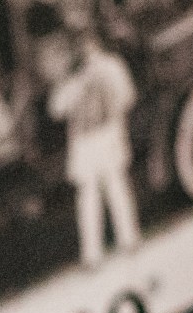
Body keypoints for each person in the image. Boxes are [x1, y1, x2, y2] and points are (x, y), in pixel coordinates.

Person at [47, 32, 139, 266]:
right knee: (91, 194)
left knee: (114, 186)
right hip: (85, 140)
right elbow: (56, 108)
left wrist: (112, 113)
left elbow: (127, 96)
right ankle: (94, 252)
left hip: (105, 133)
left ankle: (127, 240)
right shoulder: (74, 76)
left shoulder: (109, 66)